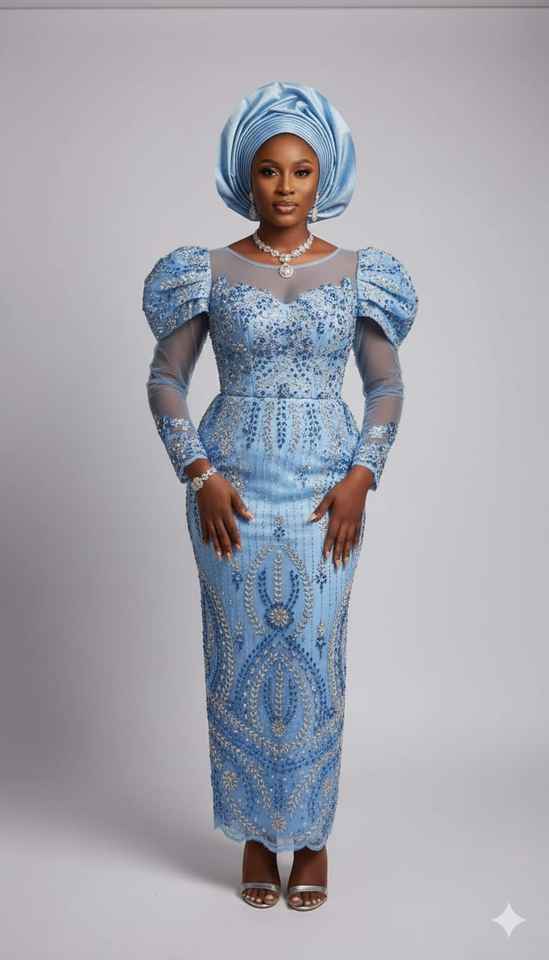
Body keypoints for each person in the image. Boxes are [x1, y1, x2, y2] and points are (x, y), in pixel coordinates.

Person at [142, 80, 418, 912]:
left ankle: (313, 835)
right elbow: (164, 380)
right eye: (269, 170)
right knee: (236, 658)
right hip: (228, 494)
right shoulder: (206, 271)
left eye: (301, 170)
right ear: (245, 177)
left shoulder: (361, 274)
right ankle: (258, 836)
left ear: (323, 176)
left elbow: (384, 386)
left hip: (326, 494)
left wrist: (362, 477)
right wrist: (199, 474)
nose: (286, 186)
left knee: (315, 655)